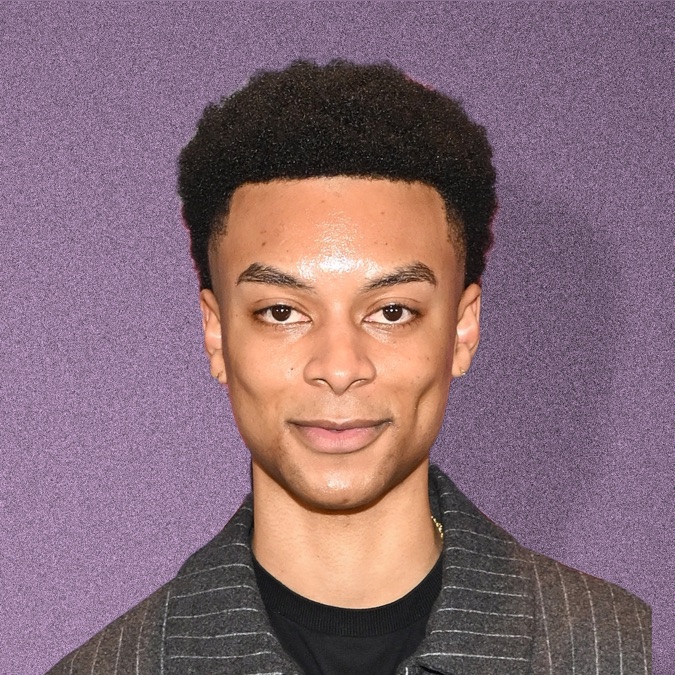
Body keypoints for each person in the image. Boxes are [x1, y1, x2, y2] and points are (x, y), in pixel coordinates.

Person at [48, 60, 651, 675]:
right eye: (282, 312)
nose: (339, 368)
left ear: (462, 330)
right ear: (217, 334)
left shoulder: (622, 653)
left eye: (391, 312)